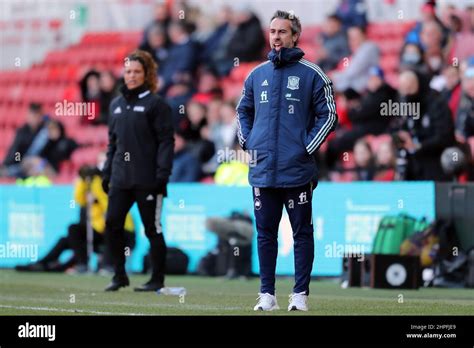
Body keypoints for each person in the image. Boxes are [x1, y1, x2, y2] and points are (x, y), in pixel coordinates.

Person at [237, 10, 337, 311]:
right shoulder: (256, 75)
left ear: (295, 35)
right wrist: (248, 142)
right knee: (265, 234)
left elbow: (329, 115)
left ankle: (300, 295)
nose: (276, 37)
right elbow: (243, 111)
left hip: (296, 170)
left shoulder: (312, 74)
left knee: (302, 232)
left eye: (282, 31)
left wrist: (306, 148)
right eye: (272, 32)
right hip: (263, 169)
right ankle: (267, 295)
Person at [102, 50, 174, 292]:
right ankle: (119, 274)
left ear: (147, 75)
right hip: (121, 178)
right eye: (128, 71)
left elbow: (166, 142)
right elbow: (113, 143)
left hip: (148, 179)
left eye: (136, 72)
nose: (131, 76)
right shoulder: (116, 105)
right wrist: (106, 171)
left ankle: (157, 279)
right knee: (112, 223)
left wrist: (162, 175)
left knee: (152, 229)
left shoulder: (157, 105)